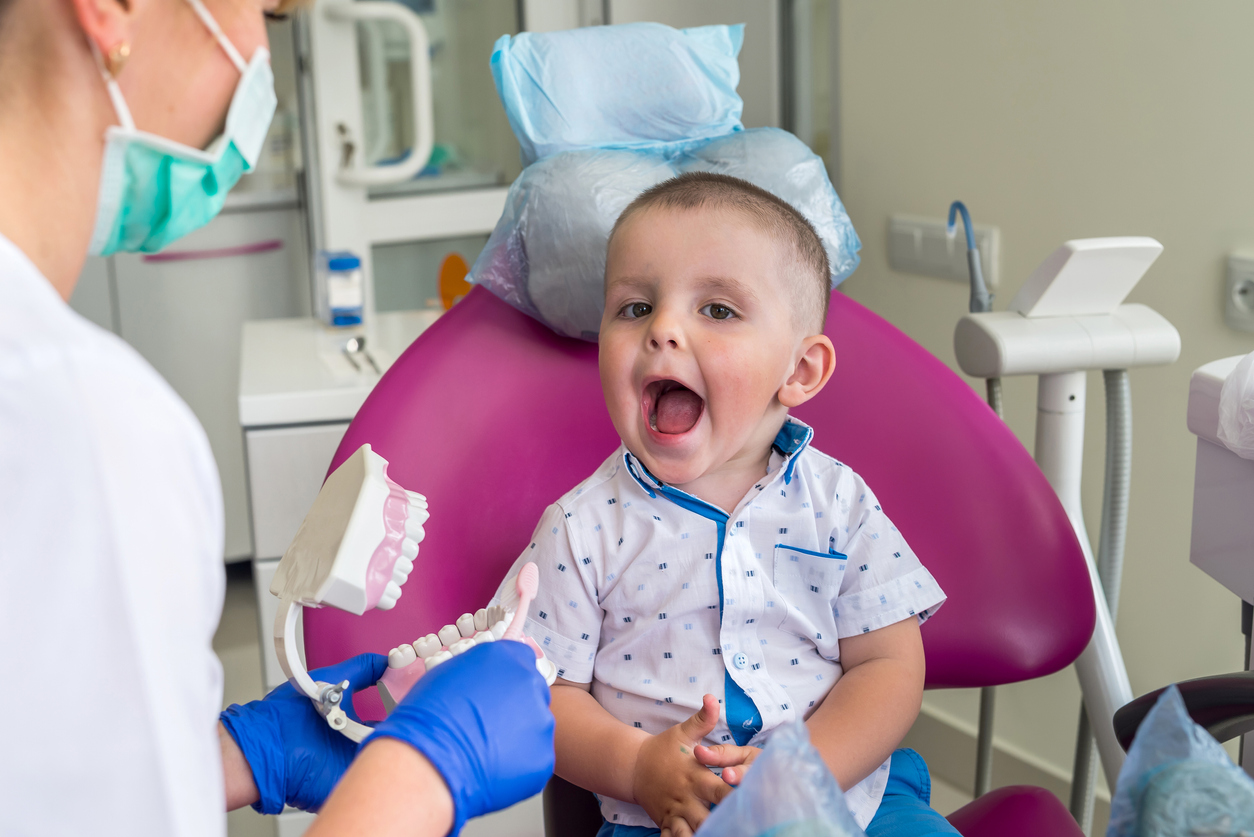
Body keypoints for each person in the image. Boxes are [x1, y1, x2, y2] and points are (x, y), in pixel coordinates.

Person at [0, 1, 553, 834]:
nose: (262, 59)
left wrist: (227, 754)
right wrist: (419, 774)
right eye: (264, 11)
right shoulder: (77, 422)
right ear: (113, 10)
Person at [491, 172, 954, 837]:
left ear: (799, 371)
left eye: (716, 310)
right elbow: (544, 693)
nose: (663, 330)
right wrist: (638, 764)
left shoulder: (838, 502)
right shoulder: (581, 527)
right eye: (634, 307)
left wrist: (804, 774)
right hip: (665, 820)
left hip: (848, 803)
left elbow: (889, 664)